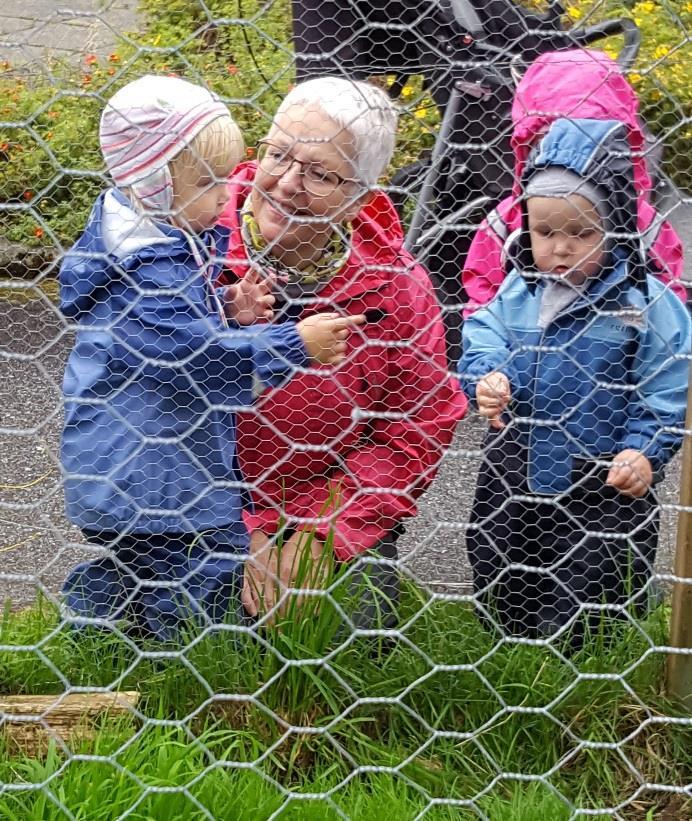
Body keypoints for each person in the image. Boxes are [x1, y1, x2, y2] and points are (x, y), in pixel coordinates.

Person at [59, 74, 364, 641]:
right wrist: (296, 343)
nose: (227, 196)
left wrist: (227, 306)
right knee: (203, 572)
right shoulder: (148, 265)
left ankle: (94, 634)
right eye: (209, 182)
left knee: (140, 570)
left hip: (139, 471)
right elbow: (189, 355)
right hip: (157, 476)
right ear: (153, 183)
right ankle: (190, 670)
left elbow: (167, 331)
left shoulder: (153, 246)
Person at [217, 77, 467, 627]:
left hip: (331, 504)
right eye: (278, 155)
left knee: (353, 629)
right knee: (197, 630)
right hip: (199, 508)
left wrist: (325, 534)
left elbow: (417, 424)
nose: (286, 183)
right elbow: (149, 398)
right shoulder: (192, 242)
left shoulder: (397, 286)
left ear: (360, 196)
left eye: (319, 173)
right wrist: (239, 527)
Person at [459, 116, 691, 648]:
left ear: (615, 225)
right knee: (499, 558)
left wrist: (645, 452)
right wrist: (488, 375)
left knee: (593, 583)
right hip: (515, 459)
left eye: (580, 233)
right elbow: (483, 329)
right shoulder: (519, 289)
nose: (560, 249)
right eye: (545, 233)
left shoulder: (644, 302)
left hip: (602, 476)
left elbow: (670, 381)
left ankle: (585, 668)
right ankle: (507, 654)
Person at [462, 49, 687, 316]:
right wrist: (487, 353)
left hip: (616, 348)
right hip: (525, 350)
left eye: (589, 140)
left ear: (619, 146)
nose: (568, 153)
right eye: (551, 140)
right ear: (527, 145)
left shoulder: (643, 225)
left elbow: (669, 310)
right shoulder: (506, 221)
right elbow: (481, 301)